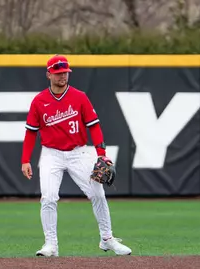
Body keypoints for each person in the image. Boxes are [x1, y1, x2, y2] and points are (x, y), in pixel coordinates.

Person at [21, 54, 132, 257]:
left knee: (98, 193)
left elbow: (94, 126)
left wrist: (101, 154)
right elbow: (31, 131)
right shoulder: (39, 101)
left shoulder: (79, 97)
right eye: (58, 73)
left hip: (78, 152)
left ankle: (107, 239)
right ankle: (50, 245)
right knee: (48, 197)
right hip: (51, 154)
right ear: (49, 74)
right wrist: (25, 160)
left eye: (65, 72)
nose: (63, 76)